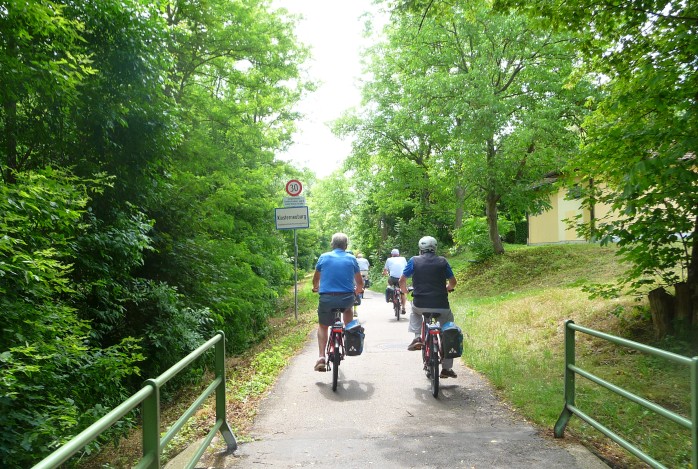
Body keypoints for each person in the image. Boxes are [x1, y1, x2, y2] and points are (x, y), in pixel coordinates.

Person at [399, 236, 458, 378]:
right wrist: (448, 287)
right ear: (435, 247)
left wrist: (405, 290)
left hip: (420, 303)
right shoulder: (443, 261)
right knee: (448, 330)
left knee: (414, 312)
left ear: (420, 248)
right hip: (441, 305)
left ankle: (418, 337)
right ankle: (447, 368)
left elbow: (402, 280)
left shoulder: (414, 260)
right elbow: (453, 282)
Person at [311, 233, 364, 372]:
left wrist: (315, 287)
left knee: (323, 326)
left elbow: (316, 278)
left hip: (327, 298)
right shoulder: (351, 258)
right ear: (346, 246)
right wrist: (358, 290)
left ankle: (321, 357)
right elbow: (359, 282)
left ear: (331, 245)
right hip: (346, 298)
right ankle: (348, 332)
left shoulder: (324, 257)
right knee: (348, 310)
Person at [383, 248, 407, 314]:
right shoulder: (403, 259)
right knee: (403, 292)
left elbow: (385, 271)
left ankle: (392, 297)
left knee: (389, 285)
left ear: (392, 255)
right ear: (398, 254)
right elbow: (406, 267)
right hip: (402, 278)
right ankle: (403, 307)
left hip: (393, 278)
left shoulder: (389, 259)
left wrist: (384, 273)